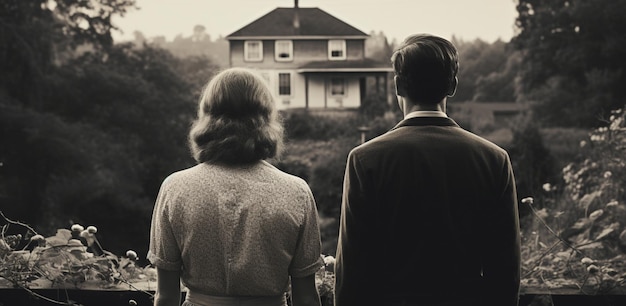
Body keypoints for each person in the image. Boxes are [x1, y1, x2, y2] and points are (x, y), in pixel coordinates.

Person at [334, 34, 521, 306]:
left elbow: (352, 269)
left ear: (397, 85)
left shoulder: (365, 160)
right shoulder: (494, 159)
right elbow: (505, 270)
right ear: (453, 85)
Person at [148, 67, 324, 306]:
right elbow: (306, 298)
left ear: (207, 115)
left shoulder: (175, 188)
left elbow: (166, 297)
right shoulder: (296, 192)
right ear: (267, 116)